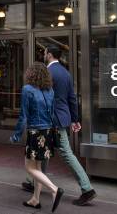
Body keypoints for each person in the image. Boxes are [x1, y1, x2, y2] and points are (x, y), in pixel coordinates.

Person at [23, 45, 97, 206]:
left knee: (65, 153)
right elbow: (72, 97)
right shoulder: (66, 73)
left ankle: (87, 188)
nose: (43, 55)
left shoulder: (47, 73)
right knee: (44, 153)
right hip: (63, 117)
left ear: (49, 55)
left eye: (44, 53)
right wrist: (75, 119)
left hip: (50, 120)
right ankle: (34, 181)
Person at [11, 62, 64, 212]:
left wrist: (16, 135)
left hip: (35, 132)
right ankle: (35, 199)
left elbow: (23, 116)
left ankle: (54, 189)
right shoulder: (50, 90)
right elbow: (52, 112)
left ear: (31, 74)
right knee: (38, 167)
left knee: (29, 167)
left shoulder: (27, 89)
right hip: (47, 131)